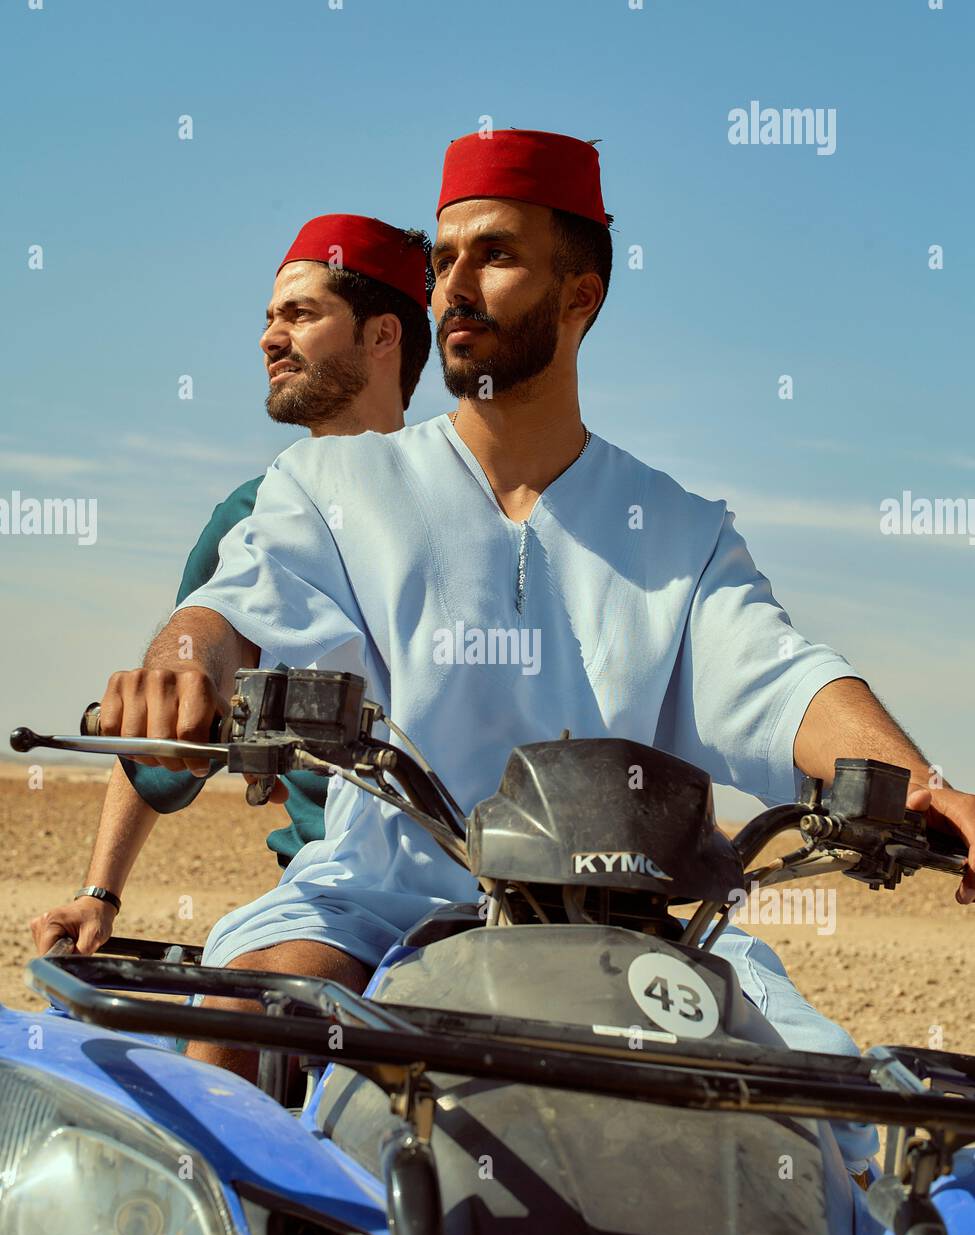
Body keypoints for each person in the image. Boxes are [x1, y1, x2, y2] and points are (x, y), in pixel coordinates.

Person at [90, 131, 975, 1179]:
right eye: (444, 260)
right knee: (247, 1032)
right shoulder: (335, 489)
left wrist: (922, 783)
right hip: (386, 891)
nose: (455, 286)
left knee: (864, 1139)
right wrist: (182, 662)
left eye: (496, 255)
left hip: (641, 919)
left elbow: (782, 677)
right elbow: (233, 608)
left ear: (580, 296)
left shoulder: (678, 527)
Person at [29, 214, 431, 959]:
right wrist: (99, 892)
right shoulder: (252, 512)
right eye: (270, 317)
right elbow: (161, 720)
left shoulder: (467, 500)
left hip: (484, 886)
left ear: (382, 337)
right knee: (238, 1036)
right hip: (327, 893)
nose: (268, 339)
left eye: (300, 314)